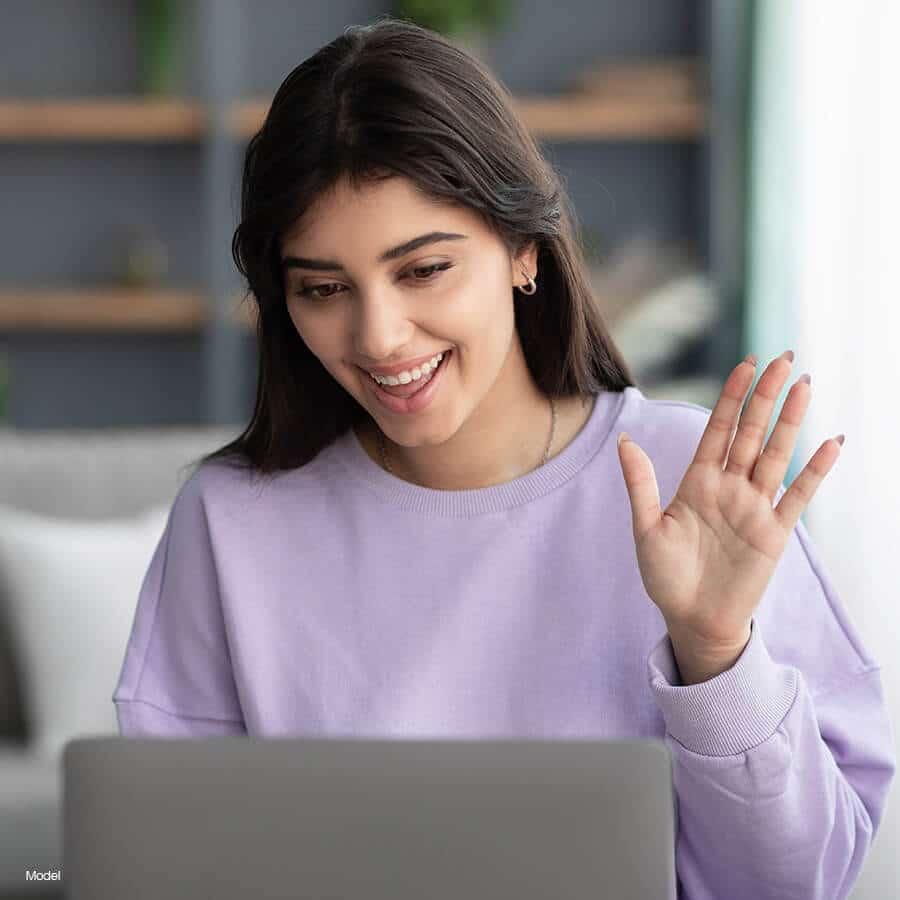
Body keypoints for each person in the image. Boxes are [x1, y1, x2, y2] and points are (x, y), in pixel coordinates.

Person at [112, 17, 895, 899]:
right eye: (324, 289)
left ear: (524, 250)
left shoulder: (691, 484)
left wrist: (715, 653)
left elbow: (799, 885)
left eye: (423, 270)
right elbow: (168, 866)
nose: (377, 336)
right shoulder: (230, 522)